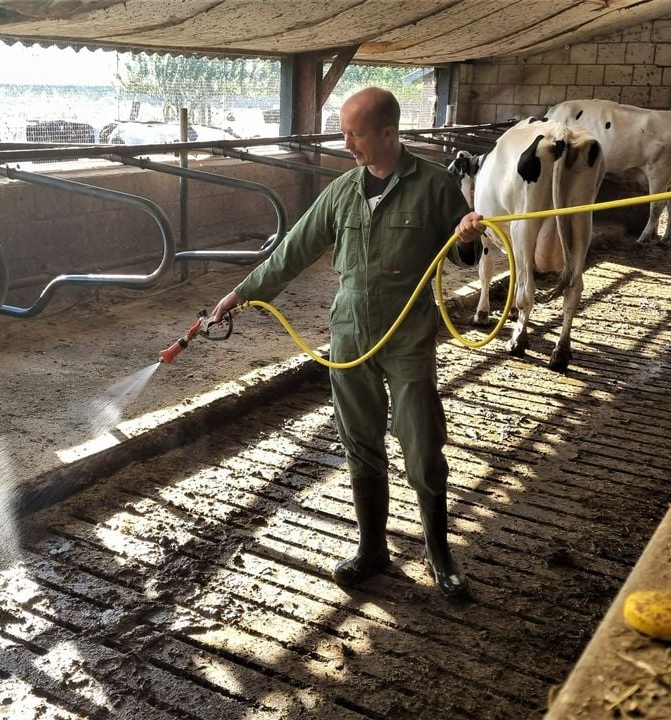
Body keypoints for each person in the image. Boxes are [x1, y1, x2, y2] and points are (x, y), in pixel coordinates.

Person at [208, 87, 487, 599]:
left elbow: (464, 253)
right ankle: (372, 549)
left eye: (354, 133)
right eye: (345, 132)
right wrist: (238, 295)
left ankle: (441, 553)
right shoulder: (341, 191)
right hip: (349, 334)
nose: (347, 142)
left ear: (387, 133)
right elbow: (292, 252)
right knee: (360, 444)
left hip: (407, 337)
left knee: (422, 446)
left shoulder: (434, 187)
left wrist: (468, 236)